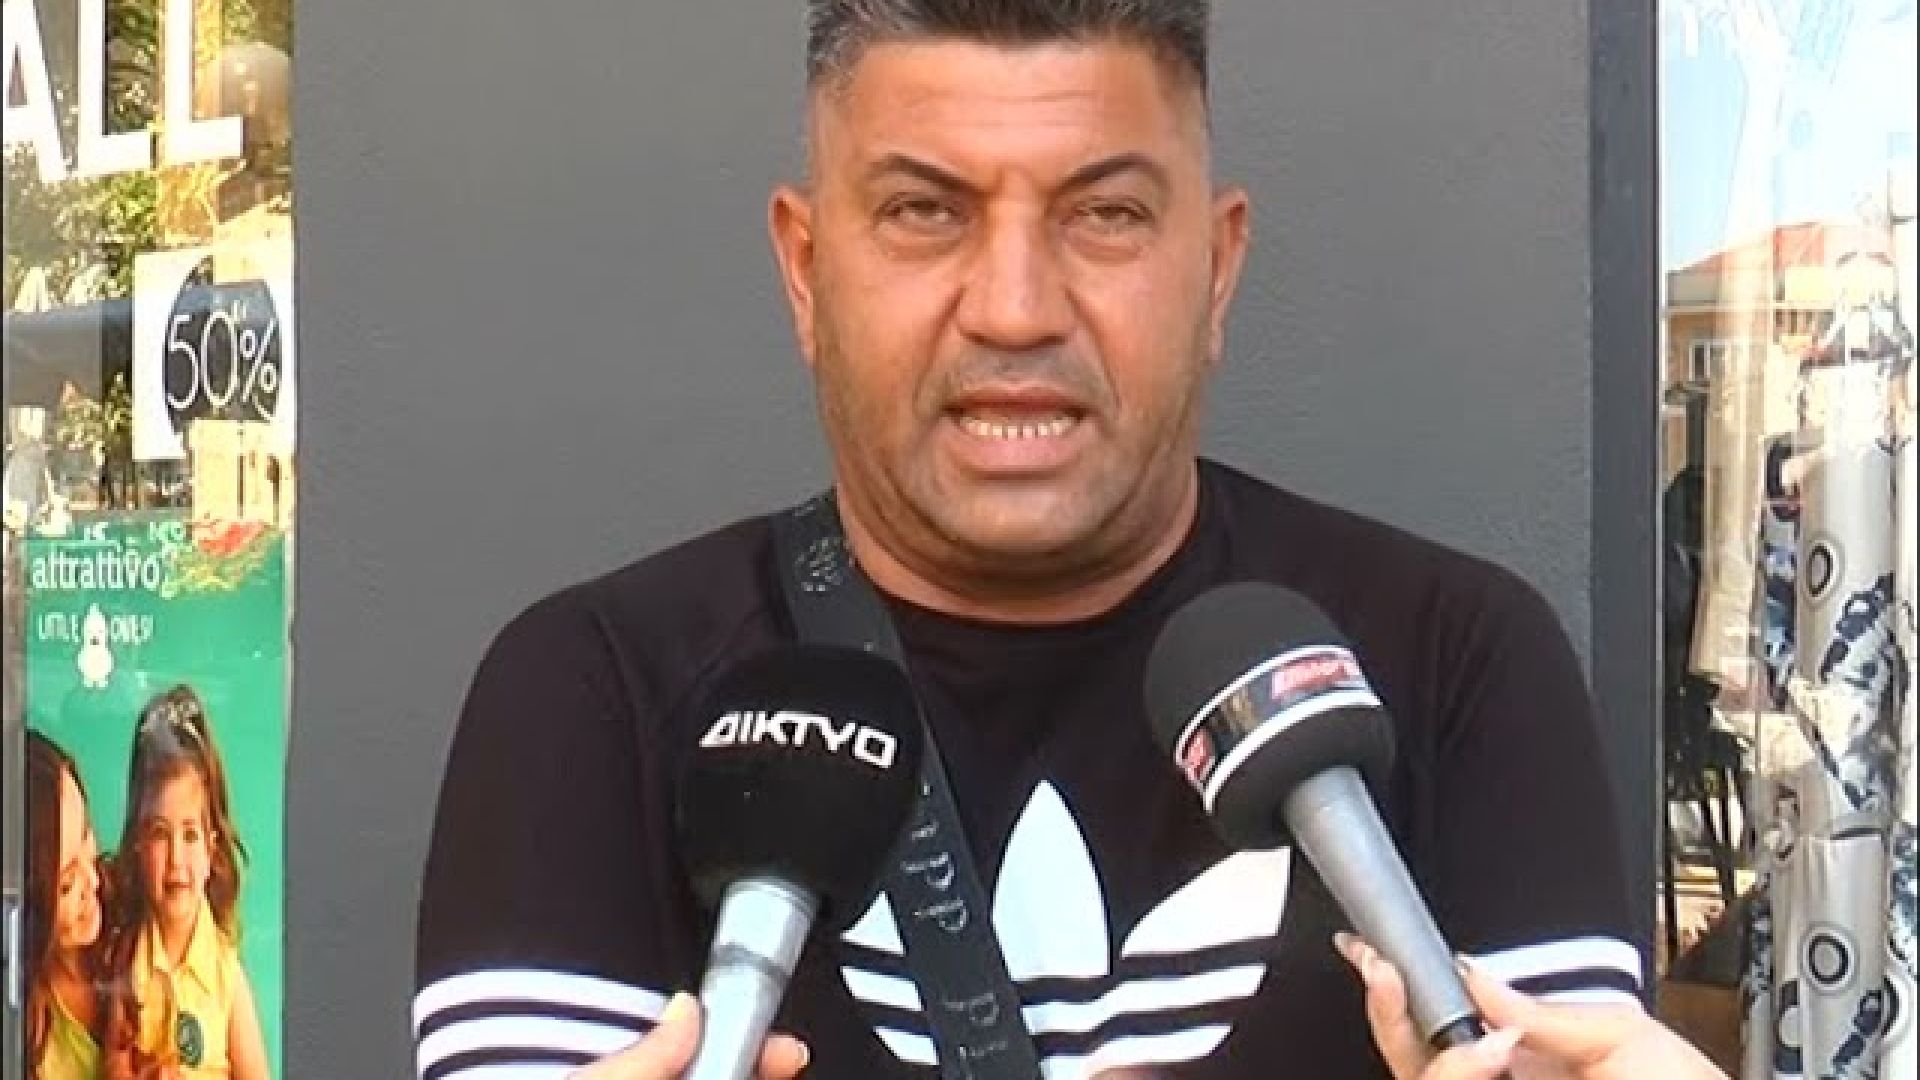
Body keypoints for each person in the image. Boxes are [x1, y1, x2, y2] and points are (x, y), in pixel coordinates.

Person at [413, 3, 1716, 1077]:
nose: (1016, 307)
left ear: (1218, 269)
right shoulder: (591, 695)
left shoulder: (1456, 663)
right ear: (806, 271)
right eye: (925, 211)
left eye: (1105, 214)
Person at [102, 686, 271, 1080]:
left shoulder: (226, 978)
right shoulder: (125, 957)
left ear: (212, 850)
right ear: (139, 844)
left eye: (191, 835)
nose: (176, 859)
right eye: (160, 834)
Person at [25, 730, 109, 1080]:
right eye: (66, 884)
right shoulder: (24, 1024)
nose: (94, 881)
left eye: (87, 835)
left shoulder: (136, 908)